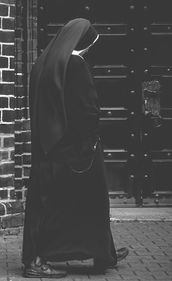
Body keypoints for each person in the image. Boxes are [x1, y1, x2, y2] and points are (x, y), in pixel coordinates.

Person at [22, 18, 129, 278]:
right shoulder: (76, 64)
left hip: (48, 147)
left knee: (53, 203)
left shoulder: (43, 63)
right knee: (92, 201)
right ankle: (36, 262)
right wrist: (90, 143)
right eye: (90, 45)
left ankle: (103, 253)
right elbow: (88, 110)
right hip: (77, 150)